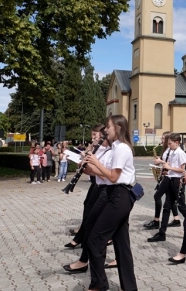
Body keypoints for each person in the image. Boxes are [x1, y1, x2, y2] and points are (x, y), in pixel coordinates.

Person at [82, 115, 137, 291]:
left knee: (95, 240)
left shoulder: (121, 148)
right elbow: (106, 175)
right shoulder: (116, 148)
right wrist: (88, 167)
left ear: (118, 128)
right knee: (122, 246)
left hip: (119, 195)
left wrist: (95, 161)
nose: (106, 130)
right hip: (116, 194)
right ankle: (129, 287)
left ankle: (99, 284)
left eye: (109, 126)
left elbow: (113, 177)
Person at [64, 124, 119, 273]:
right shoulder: (101, 150)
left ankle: (86, 261)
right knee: (107, 229)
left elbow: (111, 177)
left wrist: (92, 169)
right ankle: (86, 260)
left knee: (103, 229)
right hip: (100, 188)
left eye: (98, 136)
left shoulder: (115, 151)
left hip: (109, 191)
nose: (95, 138)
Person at [147, 133, 186, 242]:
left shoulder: (180, 153)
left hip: (176, 181)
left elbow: (182, 170)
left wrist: (169, 167)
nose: (168, 145)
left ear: (177, 143)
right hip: (169, 178)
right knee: (166, 206)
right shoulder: (173, 151)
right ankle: (162, 233)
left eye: (170, 143)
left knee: (181, 207)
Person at [143, 131, 181, 230]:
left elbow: (175, 166)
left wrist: (161, 162)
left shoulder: (173, 151)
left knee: (159, 197)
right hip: (167, 176)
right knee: (170, 200)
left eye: (163, 138)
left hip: (170, 178)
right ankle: (175, 220)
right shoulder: (168, 150)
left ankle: (157, 221)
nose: (161, 140)